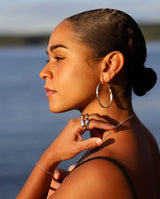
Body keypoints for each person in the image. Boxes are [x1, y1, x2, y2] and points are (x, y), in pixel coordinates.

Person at [16, 8, 160, 199]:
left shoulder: (98, 171)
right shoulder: (143, 138)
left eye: (59, 58)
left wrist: (48, 160)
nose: (43, 72)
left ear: (109, 66)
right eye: (48, 59)